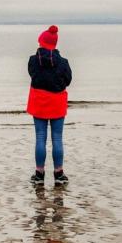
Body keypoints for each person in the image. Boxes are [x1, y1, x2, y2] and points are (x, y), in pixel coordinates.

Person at [26, 25, 72, 185]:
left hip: (39, 102)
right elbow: (68, 80)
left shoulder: (33, 60)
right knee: (57, 138)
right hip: (57, 103)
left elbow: (32, 75)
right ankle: (59, 174)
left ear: (42, 42)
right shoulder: (63, 62)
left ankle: (39, 174)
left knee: (40, 137)